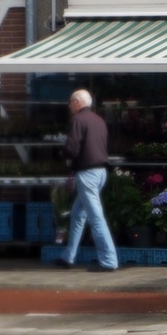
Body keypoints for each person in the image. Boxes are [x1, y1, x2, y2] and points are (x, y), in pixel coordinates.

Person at [54, 89, 118, 273]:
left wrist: (62, 153)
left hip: (87, 173)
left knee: (95, 217)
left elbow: (72, 148)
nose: (69, 106)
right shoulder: (99, 120)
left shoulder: (78, 120)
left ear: (77, 103)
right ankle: (68, 257)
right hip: (101, 172)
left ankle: (108, 261)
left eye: (70, 102)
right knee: (77, 214)